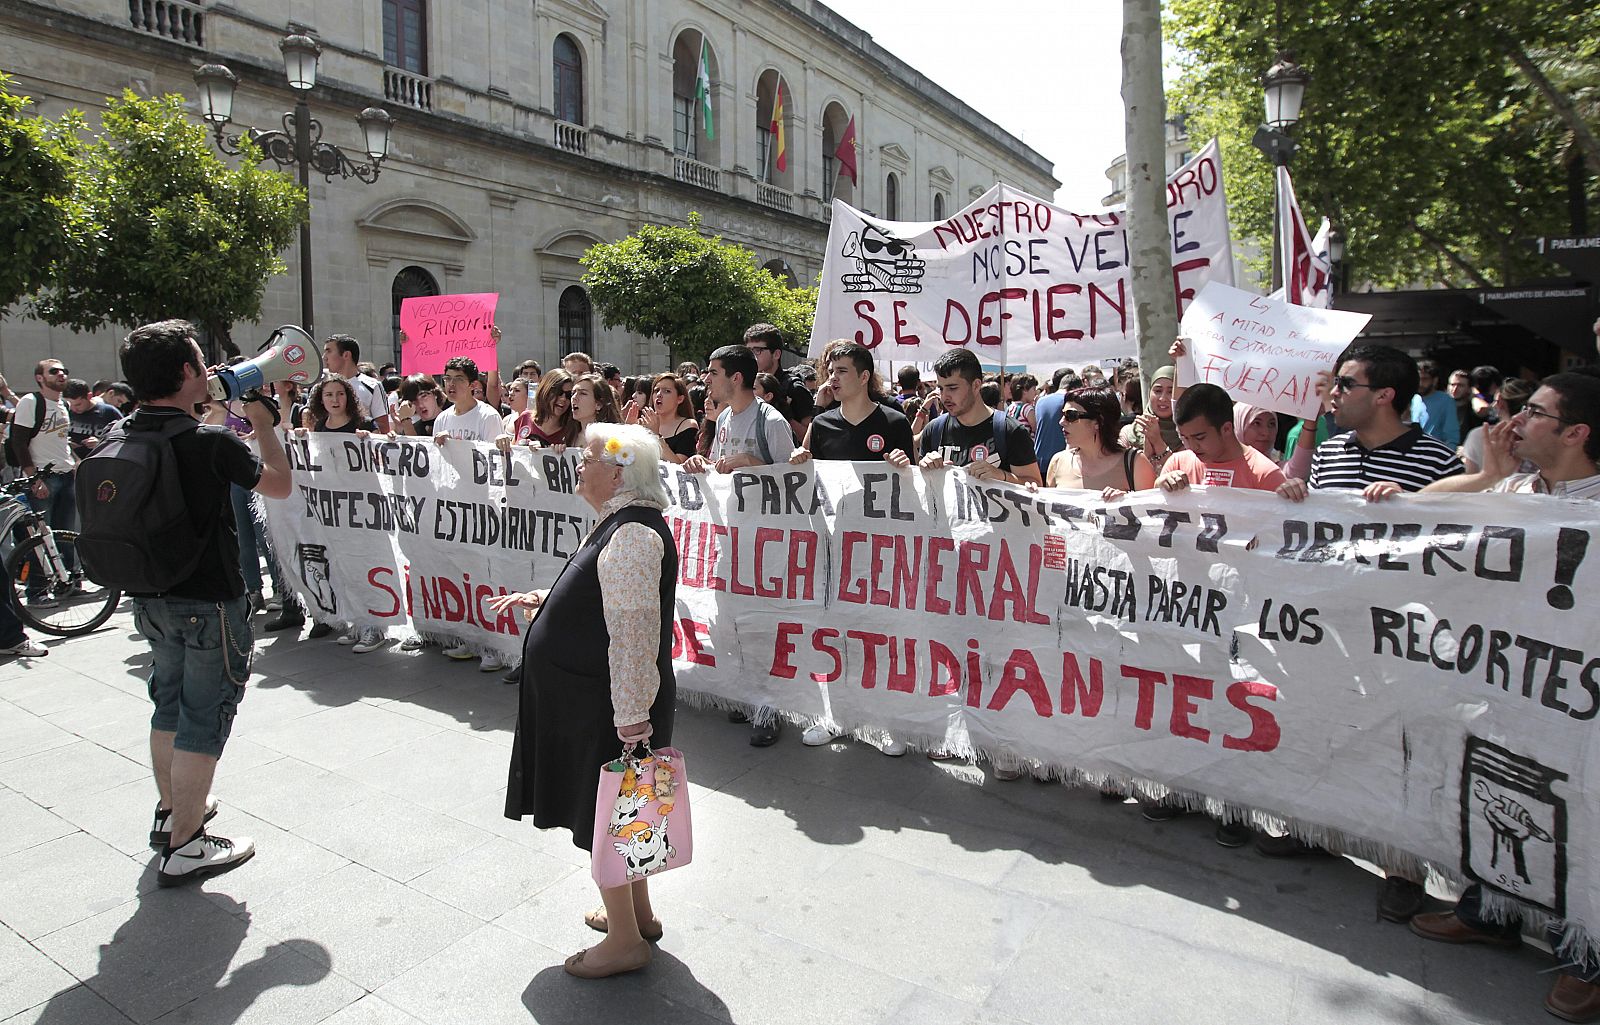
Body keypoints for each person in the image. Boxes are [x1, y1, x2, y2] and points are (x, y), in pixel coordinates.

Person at [1405, 370, 1600, 1022]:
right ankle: (1488, 910)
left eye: (1535, 412)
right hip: (1510, 685)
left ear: (1576, 432)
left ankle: (1588, 959)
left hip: (1579, 699)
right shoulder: (1515, 488)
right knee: (1494, 792)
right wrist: (1488, 476)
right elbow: (1425, 505)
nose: (1514, 420)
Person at [1273, 345, 1463, 889]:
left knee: (1397, 741)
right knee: (1326, 723)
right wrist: (1296, 499)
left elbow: (1463, 540)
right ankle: (1323, 826)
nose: (1332, 394)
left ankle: (1402, 864)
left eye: (1344, 385)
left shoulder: (1437, 462)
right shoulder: (1331, 453)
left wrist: (1414, 507)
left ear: (1384, 395)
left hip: (1402, 633)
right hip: (1330, 623)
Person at [117, 319, 293, 885]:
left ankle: (171, 812)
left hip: (150, 598)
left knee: (167, 705)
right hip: (209, 600)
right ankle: (187, 844)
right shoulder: (209, 441)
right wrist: (265, 425)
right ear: (190, 372)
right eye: (202, 360)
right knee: (204, 717)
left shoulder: (123, 433)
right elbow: (279, 484)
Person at [498, 422, 677, 979]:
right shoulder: (621, 526)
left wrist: (629, 720)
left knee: (610, 817)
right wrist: (550, 603)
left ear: (619, 471)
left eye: (590, 457)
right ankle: (637, 915)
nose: (581, 463)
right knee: (630, 813)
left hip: (610, 706)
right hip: (606, 699)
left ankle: (625, 941)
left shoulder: (631, 535)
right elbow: (607, 604)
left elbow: (631, 633)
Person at [788, 342, 915, 756]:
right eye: (830, 370)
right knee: (838, 632)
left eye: (842, 370)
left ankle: (890, 722)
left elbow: (916, 494)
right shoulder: (822, 425)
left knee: (882, 634)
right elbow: (810, 482)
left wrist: (904, 467)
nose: (833, 378)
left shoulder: (895, 422)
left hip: (883, 549)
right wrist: (801, 461)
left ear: (864, 376)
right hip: (835, 546)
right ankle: (837, 716)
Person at [685, 344, 794, 745]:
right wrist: (701, 464)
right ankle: (748, 696)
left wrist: (756, 464)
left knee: (763, 627)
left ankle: (769, 708)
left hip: (765, 544)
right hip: (731, 537)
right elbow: (719, 467)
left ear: (735, 378)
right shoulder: (726, 417)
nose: (705, 380)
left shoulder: (771, 421)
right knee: (733, 621)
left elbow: (795, 485)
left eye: (712, 372)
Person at [432, 357, 512, 673]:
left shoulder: (487, 416)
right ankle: (472, 636)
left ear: (473, 384)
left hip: (484, 509)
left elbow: (497, 465)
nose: (450, 385)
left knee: (486, 575)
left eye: (457, 379)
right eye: (446, 378)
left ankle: (493, 644)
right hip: (456, 509)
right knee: (463, 574)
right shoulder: (441, 420)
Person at [911, 348, 1041, 486]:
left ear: (976, 385)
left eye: (953, 388)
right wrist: (925, 467)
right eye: (941, 388)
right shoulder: (934, 430)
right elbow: (924, 488)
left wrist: (1001, 476)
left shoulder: (1011, 431)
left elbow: (1035, 485)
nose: (944, 396)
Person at [6, 358, 79, 606]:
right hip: (41, 478)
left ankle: (67, 582)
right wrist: (32, 476)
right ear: (40, 377)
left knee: (64, 533)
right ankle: (37, 590)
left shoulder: (63, 405)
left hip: (64, 475)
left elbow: (62, 441)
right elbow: (19, 441)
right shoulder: (31, 402)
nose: (61, 374)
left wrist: (74, 464)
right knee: (38, 538)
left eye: (63, 371)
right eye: (54, 371)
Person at [1043, 386, 1156, 493]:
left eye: (1071, 416)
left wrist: (1125, 501)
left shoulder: (1135, 463)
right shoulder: (1058, 462)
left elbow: (1151, 510)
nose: (1062, 422)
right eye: (1062, 415)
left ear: (1098, 421)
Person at [1460, 377, 1533, 474]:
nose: (1493, 405)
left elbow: (1469, 478)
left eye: (1495, 401)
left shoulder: (1478, 435)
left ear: (1500, 402)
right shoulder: (1543, 438)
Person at [320, 334, 390, 433]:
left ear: (346, 355)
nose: (324, 357)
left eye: (329, 351)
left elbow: (383, 428)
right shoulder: (321, 386)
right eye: (329, 395)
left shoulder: (373, 386)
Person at [1119, 365, 1184, 470]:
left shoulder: (1188, 437)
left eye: (1170, 392)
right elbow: (1122, 474)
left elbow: (1185, 472)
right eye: (1158, 391)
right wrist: (1145, 455)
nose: (1163, 398)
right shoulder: (1129, 433)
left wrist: (1157, 442)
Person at [637, 372, 698, 463]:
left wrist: (656, 436)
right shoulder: (644, 422)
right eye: (656, 390)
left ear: (680, 399)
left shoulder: (688, 425)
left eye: (667, 391)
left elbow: (679, 465)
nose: (659, 395)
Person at [62, 378, 124, 460]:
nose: (74, 409)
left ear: (89, 396)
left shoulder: (109, 412)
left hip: (99, 462)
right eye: (70, 405)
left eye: (78, 404)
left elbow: (123, 439)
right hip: (72, 462)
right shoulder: (65, 411)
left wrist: (100, 443)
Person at [1409, 359, 1460, 448]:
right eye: (1418, 379)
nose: (1420, 383)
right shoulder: (1411, 399)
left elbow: (1451, 436)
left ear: (1435, 380)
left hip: (1434, 451)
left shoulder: (1446, 400)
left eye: (1424, 379)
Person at [518, 370, 574, 447]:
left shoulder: (571, 431)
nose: (563, 399)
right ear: (545, 391)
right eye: (559, 392)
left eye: (568, 395)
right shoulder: (525, 417)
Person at [569, 373, 622, 442]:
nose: (574, 397)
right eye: (573, 393)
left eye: (583, 393)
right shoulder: (569, 437)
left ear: (599, 404)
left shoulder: (612, 438)